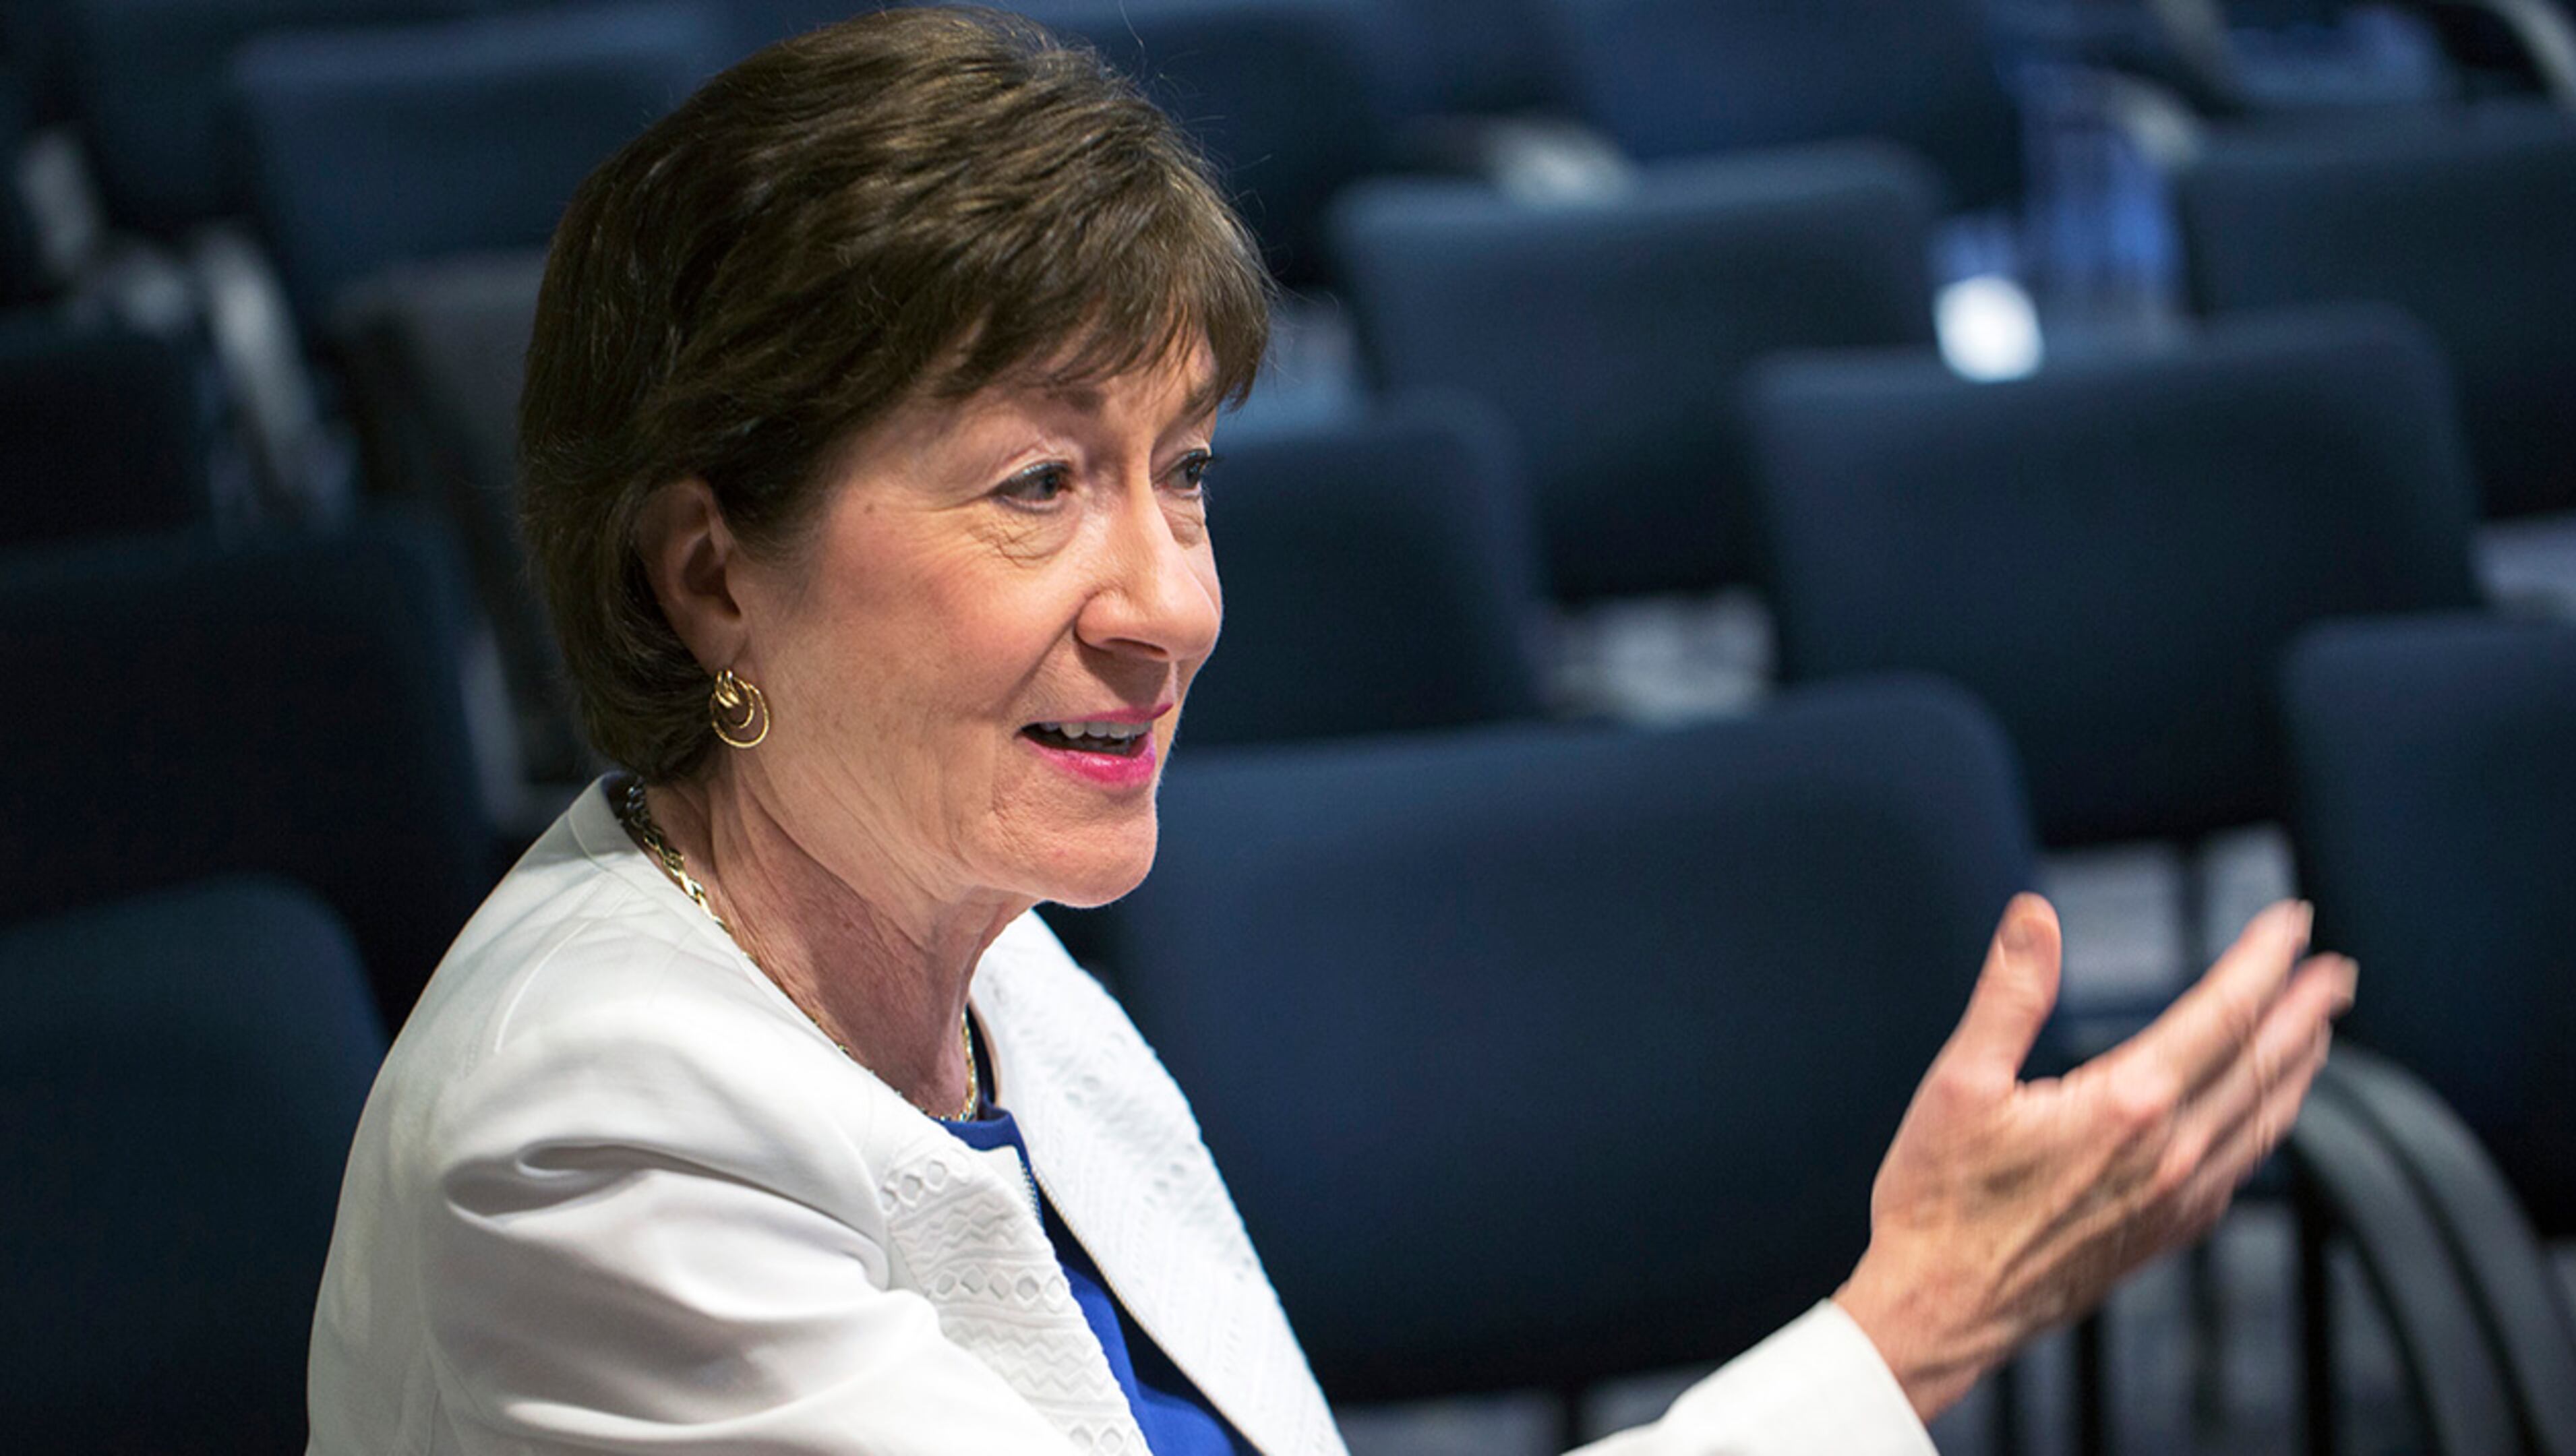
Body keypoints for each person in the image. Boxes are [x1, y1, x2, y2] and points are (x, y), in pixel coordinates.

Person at [304, 9, 2360, 1453]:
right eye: (1039, 486)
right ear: (708, 574)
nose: (1171, 605)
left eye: (1181, 470)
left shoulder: (973, 942)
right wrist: (1900, 1333)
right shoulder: (579, 1152)